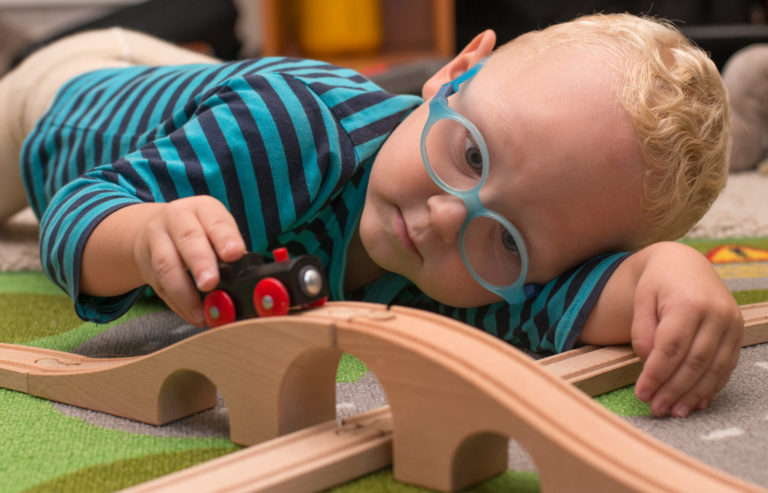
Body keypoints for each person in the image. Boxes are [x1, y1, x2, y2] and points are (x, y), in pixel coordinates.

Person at [0, 13, 743, 420]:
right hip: (63, 110)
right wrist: (142, 236)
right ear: (454, 73)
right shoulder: (283, 134)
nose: (449, 219)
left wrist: (670, 273)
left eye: (505, 240)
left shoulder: (477, 283)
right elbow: (76, 208)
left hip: (192, 92)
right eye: (474, 156)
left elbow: (568, 303)